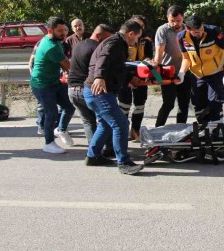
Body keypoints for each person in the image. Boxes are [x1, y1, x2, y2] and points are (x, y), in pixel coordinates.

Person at [83, 19, 145, 175]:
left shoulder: (117, 43)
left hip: (95, 91)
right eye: (137, 37)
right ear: (131, 34)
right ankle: (123, 162)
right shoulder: (115, 42)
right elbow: (104, 57)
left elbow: (116, 67)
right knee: (121, 124)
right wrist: (99, 77)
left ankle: (92, 157)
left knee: (105, 124)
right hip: (99, 91)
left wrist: (129, 79)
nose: (136, 41)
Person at [178, 14, 224, 125]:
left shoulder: (213, 32)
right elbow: (186, 58)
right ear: (188, 29)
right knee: (199, 106)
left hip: (216, 73)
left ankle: (217, 132)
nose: (200, 33)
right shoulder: (181, 37)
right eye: (196, 32)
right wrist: (181, 72)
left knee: (215, 104)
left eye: (201, 30)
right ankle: (203, 132)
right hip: (197, 75)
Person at [30, 16, 75, 154]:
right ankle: (48, 143)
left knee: (69, 106)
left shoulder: (53, 41)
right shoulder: (51, 46)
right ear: (50, 30)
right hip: (42, 85)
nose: (64, 33)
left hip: (53, 82)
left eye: (65, 30)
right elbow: (69, 68)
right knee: (51, 113)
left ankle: (60, 129)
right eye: (60, 30)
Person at [68, 24, 115, 155]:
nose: (108, 43)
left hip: (72, 90)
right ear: (99, 36)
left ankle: (94, 152)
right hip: (87, 89)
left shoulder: (79, 45)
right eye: (107, 39)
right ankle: (108, 149)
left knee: (88, 122)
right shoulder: (97, 48)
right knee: (105, 120)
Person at [153, 5, 192, 126]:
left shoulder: (188, 30)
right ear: (167, 18)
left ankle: (181, 130)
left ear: (183, 18)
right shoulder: (163, 30)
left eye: (178, 20)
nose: (175, 23)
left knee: (184, 104)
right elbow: (159, 54)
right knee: (168, 104)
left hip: (185, 71)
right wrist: (156, 75)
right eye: (172, 21)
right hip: (167, 71)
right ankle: (157, 129)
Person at [118, 15, 153, 141]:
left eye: (141, 26)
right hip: (125, 76)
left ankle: (135, 130)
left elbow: (149, 56)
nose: (139, 28)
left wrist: (147, 62)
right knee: (124, 104)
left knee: (140, 105)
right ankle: (122, 131)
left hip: (141, 76)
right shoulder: (122, 41)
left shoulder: (146, 41)